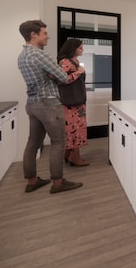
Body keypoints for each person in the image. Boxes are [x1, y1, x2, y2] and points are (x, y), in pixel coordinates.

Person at [17, 20, 83, 194]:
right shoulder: (40, 54)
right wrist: (74, 72)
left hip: (32, 103)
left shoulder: (22, 56)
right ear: (33, 35)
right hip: (48, 103)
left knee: (33, 143)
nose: (48, 36)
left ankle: (32, 180)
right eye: (45, 33)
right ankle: (58, 182)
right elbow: (62, 76)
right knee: (58, 142)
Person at [57, 38, 90, 167]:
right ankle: (74, 157)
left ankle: (69, 153)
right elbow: (62, 79)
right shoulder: (65, 62)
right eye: (80, 48)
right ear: (73, 48)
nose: (83, 50)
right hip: (71, 103)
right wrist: (78, 72)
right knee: (74, 128)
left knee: (77, 127)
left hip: (77, 100)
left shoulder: (74, 61)